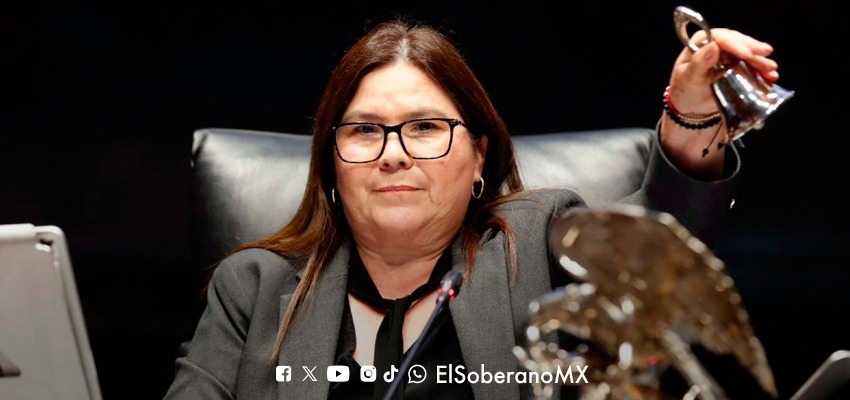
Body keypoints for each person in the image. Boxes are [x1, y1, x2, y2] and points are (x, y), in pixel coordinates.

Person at [164, 16, 782, 400]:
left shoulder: (538, 246)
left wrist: (691, 113)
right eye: (364, 131)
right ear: (331, 161)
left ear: (479, 154)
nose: (394, 155)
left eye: (426, 127)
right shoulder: (251, 287)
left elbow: (661, 237)